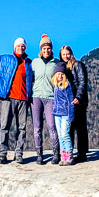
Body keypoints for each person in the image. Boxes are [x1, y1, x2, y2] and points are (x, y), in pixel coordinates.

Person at [30, 34, 60, 165]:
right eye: (44, 48)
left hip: (50, 98)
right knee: (37, 127)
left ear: (51, 49)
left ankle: (56, 153)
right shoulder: (34, 63)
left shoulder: (56, 63)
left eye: (48, 48)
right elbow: (28, 78)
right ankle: (39, 155)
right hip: (36, 97)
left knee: (52, 126)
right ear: (41, 50)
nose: (46, 50)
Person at [60, 45, 89, 162]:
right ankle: (70, 153)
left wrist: (79, 97)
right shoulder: (63, 68)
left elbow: (82, 82)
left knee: (80, 128)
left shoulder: (78, 65)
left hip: (79, 101)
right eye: (63, 54)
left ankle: (82, 154)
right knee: (69, 128)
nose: (66, 56)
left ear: (71, 53)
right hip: (68, 101)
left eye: (67, 54)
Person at [51, 62, 74, 166]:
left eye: (62, 74)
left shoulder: (67, 86)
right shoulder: (55, 86)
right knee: (60, 135)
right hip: (57, 113)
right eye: (58, 74)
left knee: (65, 134)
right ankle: (63, 156)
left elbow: (71, 101)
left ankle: (69, 156)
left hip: (65, 113)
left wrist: (71, 115)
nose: (60, 76)